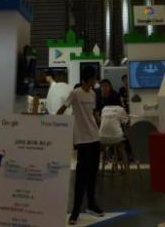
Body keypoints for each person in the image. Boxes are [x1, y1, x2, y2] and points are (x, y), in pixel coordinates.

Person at [57, 67, 104, 225]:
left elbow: (93, 113)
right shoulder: (75, 93)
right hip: (82, 140)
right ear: (88, 79)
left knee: (92, 174)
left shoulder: (93, 94)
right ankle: (75, 211)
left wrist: (99, 122)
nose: (95, 81)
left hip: (95, 137)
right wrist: (52, 123)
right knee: (81, 176)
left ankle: (91, 204)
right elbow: (63, 108)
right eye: (94, 78)